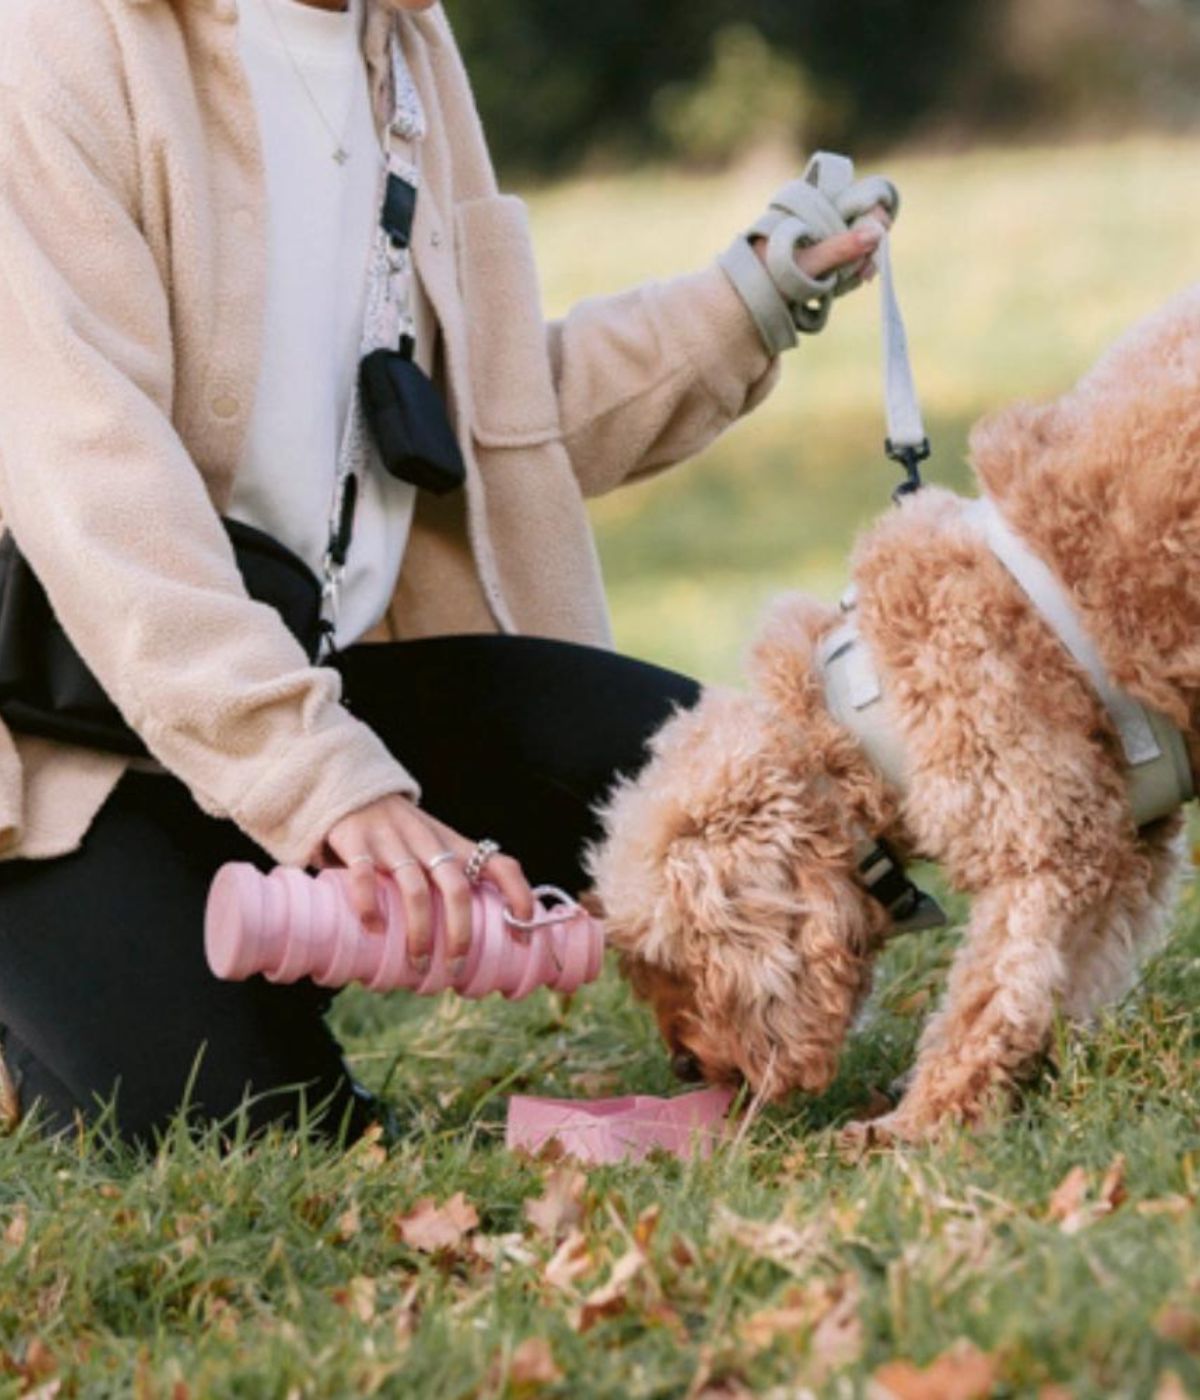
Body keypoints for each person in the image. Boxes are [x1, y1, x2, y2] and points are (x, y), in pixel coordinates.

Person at [0, 0, 892, 1144]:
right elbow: (99, 495)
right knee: (256, 1128)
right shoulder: (58, 45)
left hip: (320, 690)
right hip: (60, 742)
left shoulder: (403, 47)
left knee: (738, 800)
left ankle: (270, 936)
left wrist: (746, 302)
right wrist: (328, 785)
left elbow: (472, 415)